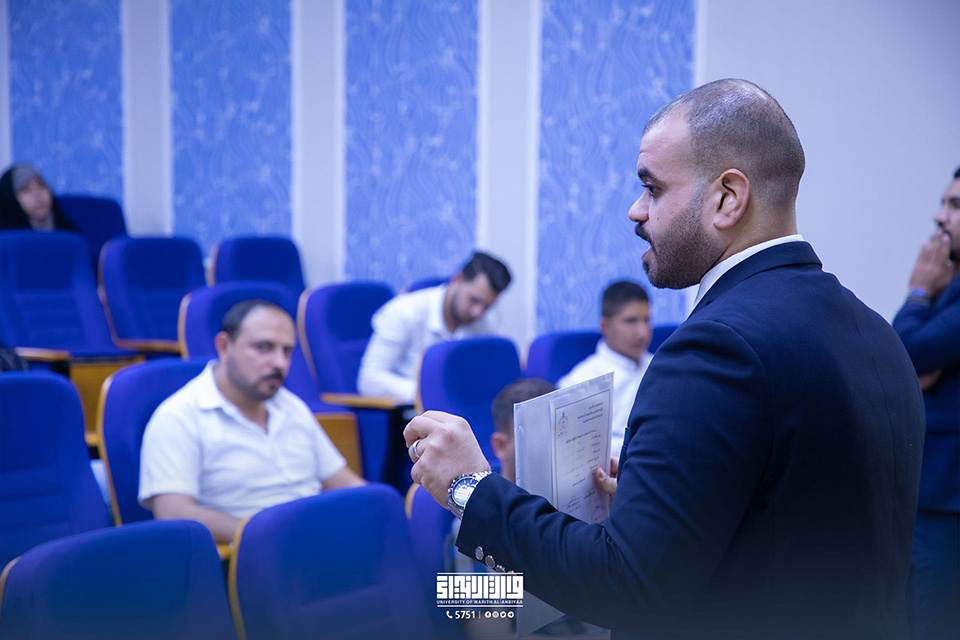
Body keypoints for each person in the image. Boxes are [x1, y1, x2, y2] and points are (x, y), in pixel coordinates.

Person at [404, 79, 925, 639]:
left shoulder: (717, 349)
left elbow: (628, 584)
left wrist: (470, 489)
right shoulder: (877, 333)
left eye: (652, 188)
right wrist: (665, 502)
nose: (635, 210)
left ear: (727, 198)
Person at [139, 300, 365, 544]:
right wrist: (269, 535)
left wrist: (380, 507)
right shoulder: (179, 417)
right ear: (224, 347)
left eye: (287, 351)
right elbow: (173, 513)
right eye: (264, 347)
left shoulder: (291, 405)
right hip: (252, 554)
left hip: (319, 542)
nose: (280, 363)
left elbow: (345, 482)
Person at [893, 167, 960, 640]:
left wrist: (918, 290)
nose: (939, 217)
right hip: (931, 501)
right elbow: (906, 369)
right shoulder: (951, 286)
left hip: (948, 509)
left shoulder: (937, 286)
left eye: (955, 206)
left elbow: (904, 354)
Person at [357, 251, 512, 403]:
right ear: (457, 280)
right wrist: (430, 394)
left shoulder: (487, 319)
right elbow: (369, 379)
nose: (478, 312)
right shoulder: (404, 312)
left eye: (487, 306)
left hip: (464, 407)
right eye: (474, 300)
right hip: (411, 410)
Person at [558, 280, 653, 457]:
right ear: (605, 326)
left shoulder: (661, 366)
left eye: (646, 320)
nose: (643, 332)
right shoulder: (579, 382)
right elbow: (576, 447)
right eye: (631, 321)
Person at [0, 164, 76, 231]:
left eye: (41, 185)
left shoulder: (71, 235)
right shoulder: (4, 240)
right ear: (10, 199)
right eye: (25, 189)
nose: (37, 194)